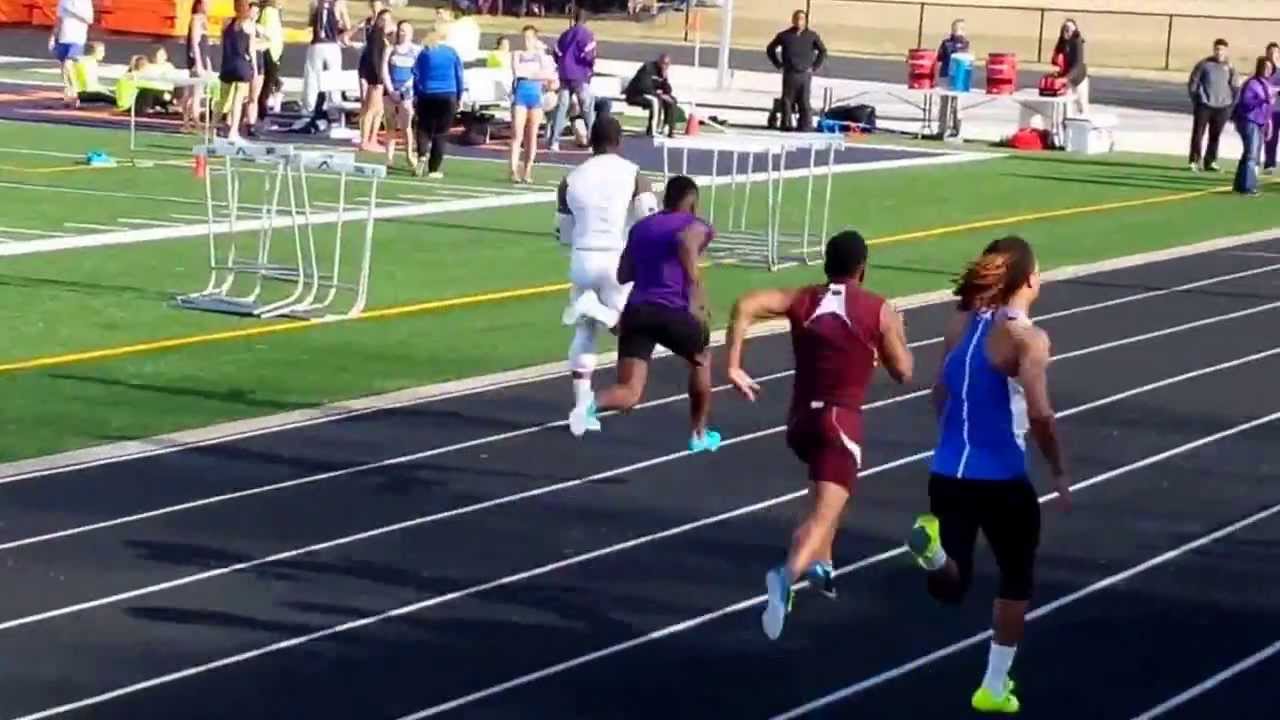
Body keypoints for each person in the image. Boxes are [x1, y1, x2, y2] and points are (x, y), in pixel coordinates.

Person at [904, 236, 1071, 715]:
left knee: (952, 584)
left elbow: (940, 394)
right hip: (1002, 478)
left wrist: (957, 437)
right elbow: (1040, 415)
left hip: (947, 472)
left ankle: (933, 552)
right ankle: (994, 687)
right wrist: (1057, 468)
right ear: (1030, 280)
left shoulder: (959, 325)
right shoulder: (1027, 339)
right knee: (1016, 578)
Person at [724, 231, 914, 641]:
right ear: (862, 267)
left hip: (800, 423)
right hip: (838, 424)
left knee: (826, 493)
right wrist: (896, 334)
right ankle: (785, 575)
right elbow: (905, 372)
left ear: (827, 263)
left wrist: (734, 364)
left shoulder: (803, 299)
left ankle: (822, 566)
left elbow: (746, 304)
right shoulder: (877, 309)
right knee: (824, 512)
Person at [569, 176, 721, 454]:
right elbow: (687, 243)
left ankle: (589, 405)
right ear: (693, 203)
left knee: (629, 391)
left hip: (637, 312)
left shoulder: (640, 228)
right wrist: (696, 293)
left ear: (665, 200)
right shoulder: (696, 225)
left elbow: (623, 274)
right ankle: (699, 433)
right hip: (673, 310)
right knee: (701, 360)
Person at [558, 115, 659, 430]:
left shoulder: (571, 178)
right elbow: (648, 220)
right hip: (617, 260)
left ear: (591, 140)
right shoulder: (633, 174)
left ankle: (580, 411)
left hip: (582, 260)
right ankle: (600, 311)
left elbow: (562, 232)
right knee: (627, 328)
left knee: (584, 334)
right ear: (619, 141)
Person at [411, 25, 464, 179]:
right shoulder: (451, 53)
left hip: (427, 93)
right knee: (441, 133)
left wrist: (417, 93)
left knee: (423, 128)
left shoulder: (424, 53)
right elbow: (459, 75)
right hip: (448, 94)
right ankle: (433, 168)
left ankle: (421, 155)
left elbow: (416, 74)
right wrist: (459, 95)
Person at [766, 10, 826, 132]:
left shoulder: (812, 36)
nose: (799, 21)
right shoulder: (784, 35)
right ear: (793, 20)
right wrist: (778, 64)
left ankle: (804, 125)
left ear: (805, 21)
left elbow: (822, 51)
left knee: (804, 100)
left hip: (805, 74)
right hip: (790, 73)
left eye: (802, 19)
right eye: (797, 19)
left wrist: (814, 67)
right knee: (787, 100)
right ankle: (786, 124)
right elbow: (770, 49)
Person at [510, 25, 556, 184]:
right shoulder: (517, 54)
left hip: (535, 96)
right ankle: (513, 169)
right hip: (521, 94)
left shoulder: (541, 56)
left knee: (532, 135)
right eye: (524, 37)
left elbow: (550, 74)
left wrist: (541, 54)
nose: (526, 41)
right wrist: (536, 74)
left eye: (529, 38)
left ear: (535, 39)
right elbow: (518, 72)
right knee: (517, 134)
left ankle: (528, 169)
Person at [547, 8, 597, 152]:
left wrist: (562, 64)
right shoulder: (587, 35)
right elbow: (590, 55)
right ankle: (594, 142)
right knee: (587, 109)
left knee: (562, 108)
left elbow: (556, 52)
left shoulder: (565, 34)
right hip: (580, 76)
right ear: (586, 20)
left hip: (565, 75)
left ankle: (554, 141)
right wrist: (588, 69)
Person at [1187, 39, 1238, 173]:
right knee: (1198, 133)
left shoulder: (1230, 67)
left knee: (1215, 135)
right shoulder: (1204, 64)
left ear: (1226, 51)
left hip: (1222, 107)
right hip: (1204, 105)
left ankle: (1210, 161)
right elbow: (1193, 83)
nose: (1219, 52)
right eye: (1217, 49)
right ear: (1213, 50)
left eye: (1221, 49)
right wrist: (1197, 100)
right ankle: (1194, 160)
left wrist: (1231, 104)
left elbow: (1235, 86)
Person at [1233, 56, 1274, 197]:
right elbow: (1246, 103)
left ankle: (1239, 184)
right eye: (1265, 67)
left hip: (1260, 122)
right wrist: (1261, 100)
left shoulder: (1267, 84)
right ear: (1259, 68)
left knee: (1248, 153)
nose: (1268, 70)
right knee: (1251, 153)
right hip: (1249, 121)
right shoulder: (1252, 84)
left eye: (1270, 68)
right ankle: (1248, 187)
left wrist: (1269, 122)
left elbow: (1268, 107)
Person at [303, 0, 352, 116]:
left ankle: (309, 107)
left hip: (317, 44)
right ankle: (334, 109)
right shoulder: (339, 3)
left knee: (312, 76)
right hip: (332, 45)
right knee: (334, 77)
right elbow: (347, 26)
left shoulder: (314, 3)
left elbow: (311, 22)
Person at [218, 0, 256, 143]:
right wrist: (255, 69)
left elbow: (223, 42)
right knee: (238, 100)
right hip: (241, 64)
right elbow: (251, 50)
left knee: (222, 100)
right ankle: (233, 132)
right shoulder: (249, 25)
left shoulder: (226, 22)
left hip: (227, 64)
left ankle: (213, 128)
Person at [384, 20, 419, 169]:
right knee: (390, 125)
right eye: (401, 30)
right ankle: (389, 158)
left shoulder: (416, 50)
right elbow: (384, 70)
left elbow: (417, 72)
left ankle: (409, 154)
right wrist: (391, 90)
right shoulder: (390, 49)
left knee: (406, 126)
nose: (403, 33)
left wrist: (405, 89)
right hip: (391, 90)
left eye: (406, 30)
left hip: (406, 91)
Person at [358, 8, 392, 152]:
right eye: (383, 20)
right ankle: (365, 140)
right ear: (377, 20)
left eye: (388, 20)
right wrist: (377, 79)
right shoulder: (376, 37)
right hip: (375, 79)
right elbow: (374, 59)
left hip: (378, 79)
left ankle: (372, 139)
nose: (385, 23)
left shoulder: (381, 36)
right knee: (372, 110)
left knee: (378, 111)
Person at [50, 0, 94, 108]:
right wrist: (53, 36)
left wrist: (73, 11)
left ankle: (75, 93)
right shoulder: (63, 1)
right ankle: (67, 93)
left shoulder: (85, 2)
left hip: (77, 39)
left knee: (68, 65)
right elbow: (59, 19)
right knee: (63, 67)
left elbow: (90, 19)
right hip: (63, 38)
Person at [624, 54, 677, 138]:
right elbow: (644, 87)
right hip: (636, 94)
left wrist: (665, 79)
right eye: (663, 63)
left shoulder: (663, 73)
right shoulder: (648, 68)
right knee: (655, 101)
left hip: (651, 94)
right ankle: (652, 131)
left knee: (671, 100)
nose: (665, 66)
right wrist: (660, 95)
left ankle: (668, 129)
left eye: (667, 64)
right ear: (659, 62)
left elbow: (668, 91)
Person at [936, 19, 970, 139]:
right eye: (956, 29)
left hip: (958, 77)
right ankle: (942, 129)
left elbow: (964, 56)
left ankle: (956, 129)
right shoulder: (946, 43)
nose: (959, 32)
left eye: (961, 29)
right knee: (944, 103)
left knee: (957, 104)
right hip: (946, 75)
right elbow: (940, 57)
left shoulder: (965, 43)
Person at [182, 0, 212, 133]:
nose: (208, 6)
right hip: (196, 62)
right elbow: (195, 43)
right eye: (206, 3)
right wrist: (198, 63)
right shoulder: (196, 19)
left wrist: (208, 63)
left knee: (193, 93)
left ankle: (187, 123)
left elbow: (204, 45)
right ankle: (194, 122)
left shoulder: (203, 20)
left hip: (201, 60)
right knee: (195, 94)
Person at [1052, 19, 1088, 117]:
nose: (1067, 31)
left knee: (1081, 107)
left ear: (1075, 31)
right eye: (1065, 29)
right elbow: (1054, 60)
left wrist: (1065, 78)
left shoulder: (1077, 42)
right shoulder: (1062, 42)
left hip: (1078, 79)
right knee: (1066, 106)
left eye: (1070, 29)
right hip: (1067, 80)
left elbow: (1078, 65)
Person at [257, 0, 285, 122]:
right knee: (266, 84)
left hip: (275, 51)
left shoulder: (275, 12)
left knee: (269, 83)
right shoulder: (268, 11)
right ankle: (260, 114)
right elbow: (266, 32)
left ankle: (262, 112)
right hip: (270, 51)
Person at [1263, 43, 1280, 174]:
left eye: (1275, 52)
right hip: (1270, 110)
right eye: (1270, 52)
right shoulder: (1264, 71)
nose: (1272, 55)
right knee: (1270, 137)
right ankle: (1269, 164)